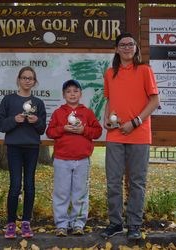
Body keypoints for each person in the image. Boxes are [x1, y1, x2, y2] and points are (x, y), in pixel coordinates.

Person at [100, 32, 160, 240]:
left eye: (130, 44)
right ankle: (115, 223)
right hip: (115, 135)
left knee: (137, 182)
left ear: (136, 48)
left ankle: (134, 224)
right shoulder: (110, 73)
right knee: (113, 181)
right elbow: (109, 100)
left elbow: (154, 101)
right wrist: (107, 118)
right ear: (116, 49)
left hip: (139, 135)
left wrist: (135, 122)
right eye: (122, 45)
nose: (127, 47)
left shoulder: (145, 70)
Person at [46, 79, 102, 237]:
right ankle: (62, 224)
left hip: (82, 159)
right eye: (68, 91)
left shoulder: (87, 112)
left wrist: (83, 130)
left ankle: (78, 223)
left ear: (80, 94)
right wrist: (63, 128)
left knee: (80, 193)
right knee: (61, 193)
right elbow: (50, 132)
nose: (72, 94)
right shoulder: (59, 112)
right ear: (64, 95)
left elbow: (97, 132)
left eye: (75, 91)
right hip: (62, 159)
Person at [0, 66, 47, 239]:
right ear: (18, 79)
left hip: (32, 147)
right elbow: (1, 125)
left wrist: (36, 120)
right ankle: (11, 223)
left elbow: (42, 129)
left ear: (34, 82)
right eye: (24, 77)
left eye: (30, 78)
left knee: (29, 185)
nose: (27, 80)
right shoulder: (8, 100)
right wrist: (15, 120)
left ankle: (26, 222)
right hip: (14, 147)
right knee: (15, 185)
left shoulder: (38, 103)